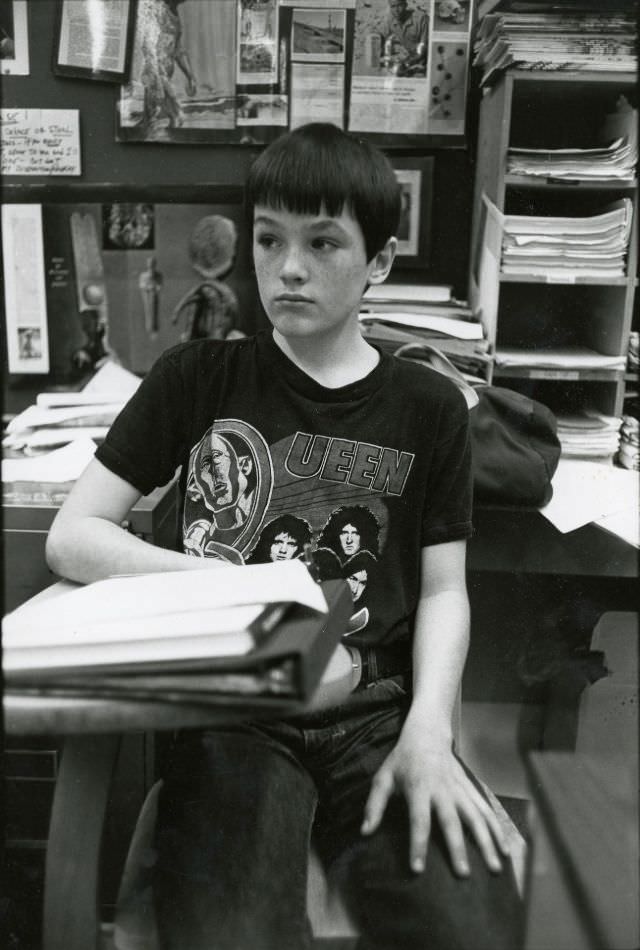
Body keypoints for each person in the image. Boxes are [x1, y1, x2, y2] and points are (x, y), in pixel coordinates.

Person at [45, 122, 522, 949]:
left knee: (474, 920)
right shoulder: (198, 378)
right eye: (269, 239)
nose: (288, 267)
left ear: (379, 260)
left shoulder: (428, 407)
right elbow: (74, 535)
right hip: (236, 709)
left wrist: (430, 732)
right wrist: (227, 584)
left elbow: (445, 590)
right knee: (231, 931)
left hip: (373, 711)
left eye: (323, 241)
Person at [380, 0, 428, 76]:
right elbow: (382, 36)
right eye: (393, 6)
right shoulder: (391, 19)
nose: (396, 10)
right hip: (409, 59)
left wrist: (407, 62)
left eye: (399, 5)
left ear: (406, 5)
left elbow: (423, 46)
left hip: (425, 60)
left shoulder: (421, 18)